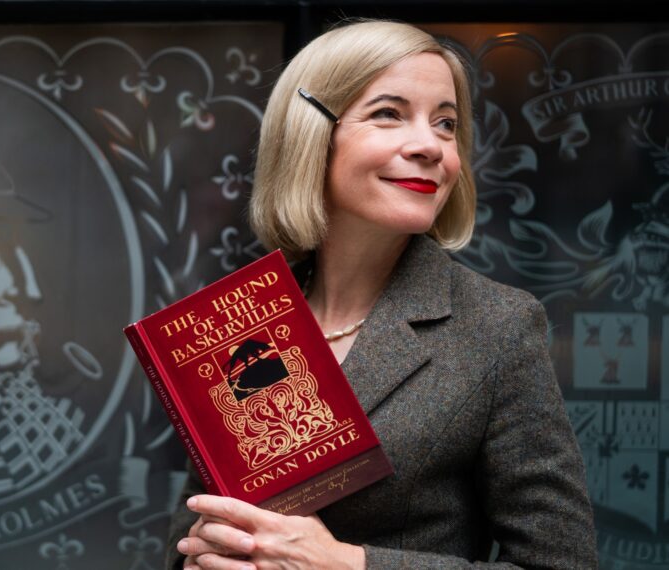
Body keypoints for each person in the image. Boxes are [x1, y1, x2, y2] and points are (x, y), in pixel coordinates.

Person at [165, 20, 597, 569]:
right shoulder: (241, 319)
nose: (429, 146)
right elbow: (193, 527)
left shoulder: (500, 326)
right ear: (311, 134)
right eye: (389, 114)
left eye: (446, 124)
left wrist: (347, 565)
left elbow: (563, 564)